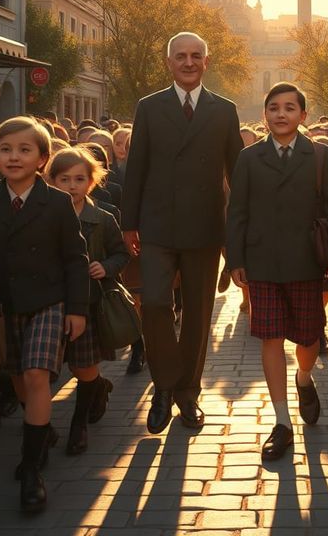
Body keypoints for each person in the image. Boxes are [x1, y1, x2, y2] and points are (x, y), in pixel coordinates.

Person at [0, 115, 89, 514]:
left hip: (49, 303)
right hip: (5, 308)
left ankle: (32, 468)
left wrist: (78, 309)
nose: (14, 157)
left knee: (37, 375)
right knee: (19, 379)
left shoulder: (56, 202)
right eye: (5, 149)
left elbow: (76, 258)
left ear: (42, 158)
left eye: (24, 149)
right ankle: (43, 429)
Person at [119, 31, 242, 435]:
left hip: (205, 228)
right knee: (154, 303)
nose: (188, 63)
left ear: (206, 61)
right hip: (155, 226)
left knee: (197, 315)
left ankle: (187, 395)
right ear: (168, 62)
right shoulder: (150, 107)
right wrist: (128, 222)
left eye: (195, 56)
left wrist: (236, 231)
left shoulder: (224, 110)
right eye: (180, 56)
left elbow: (236, 174)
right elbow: (136, 166)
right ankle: (164, 386)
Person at [225, 81, 328, 462]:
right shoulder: (248, 158)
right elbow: (237, 213)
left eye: (289, 107)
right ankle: (281, 422)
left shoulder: (318, 154)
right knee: (270, 338)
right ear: (265, 114)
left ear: (303, 115)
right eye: (274, 107)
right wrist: (235, 260)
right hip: (261, 263)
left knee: (309, 336)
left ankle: (304, 378)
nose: (281, 113)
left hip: (306, 262)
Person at [47, 144, 130, 456]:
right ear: (52, 181)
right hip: (53, 301)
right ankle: (96, 388)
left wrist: (105, 266)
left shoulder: (103, 218)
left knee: (84, 365)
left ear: (91, 182)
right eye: (64, 179)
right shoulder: (44, 215)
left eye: (79, 179)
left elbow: (122, 253)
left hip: (91, 303)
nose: (72, 186)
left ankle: (78, 423)